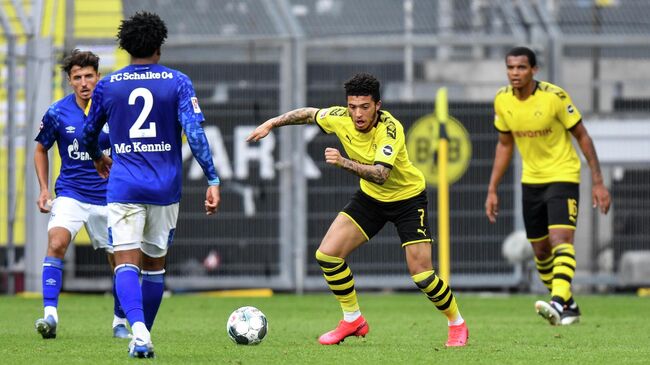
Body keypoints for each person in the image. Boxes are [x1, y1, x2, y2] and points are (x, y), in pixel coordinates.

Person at [247, 72, 469, 347]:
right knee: (327, 256)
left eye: (364, 107)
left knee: (422, 274)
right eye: (352, 107)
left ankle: (456, 323)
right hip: (371, 199)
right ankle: (353, 319)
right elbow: (308, 114)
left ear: (378, 105)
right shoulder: (341, 117)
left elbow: (380, 174)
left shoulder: (390, 129)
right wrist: (272, 122)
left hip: (407, 199)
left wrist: (343, 162)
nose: (357, 114)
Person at [82, 11, 221, 358]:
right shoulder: (178, 82)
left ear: (126, 47)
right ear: (159, 47)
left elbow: (88, 134)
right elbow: (195, 133)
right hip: (165, 189)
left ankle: (139, 332)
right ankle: (142, 334)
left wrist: (99, 156)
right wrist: (212, 178)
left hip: (124, 186)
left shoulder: (108, 85)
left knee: (126, 262)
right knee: (155, 265)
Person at [485, 46, 611, 326]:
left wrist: (598, 182)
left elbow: (583, 136)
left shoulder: (554, 97)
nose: (515, 73)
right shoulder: (502, 100)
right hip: (531, 180)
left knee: (561, 240)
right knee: (541, 251)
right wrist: (492, 188)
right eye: (511, 68)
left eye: (521, 67)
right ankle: (568, 304)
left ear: (534, 70)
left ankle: (556, 301)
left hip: (563, 175)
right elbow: (505, 144)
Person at [33, 49, 130, 340]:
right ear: (70, 80)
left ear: (98, 78)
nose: (84, 82)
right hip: (72, 194)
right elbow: (41, 148)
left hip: (110, 197)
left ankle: (119, 322)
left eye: (89, 76)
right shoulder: (57, 112)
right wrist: (43, 188)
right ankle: (50, 316)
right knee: (57, 241)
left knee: (120, 262)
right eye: (78, 77)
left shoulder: (115, 109)